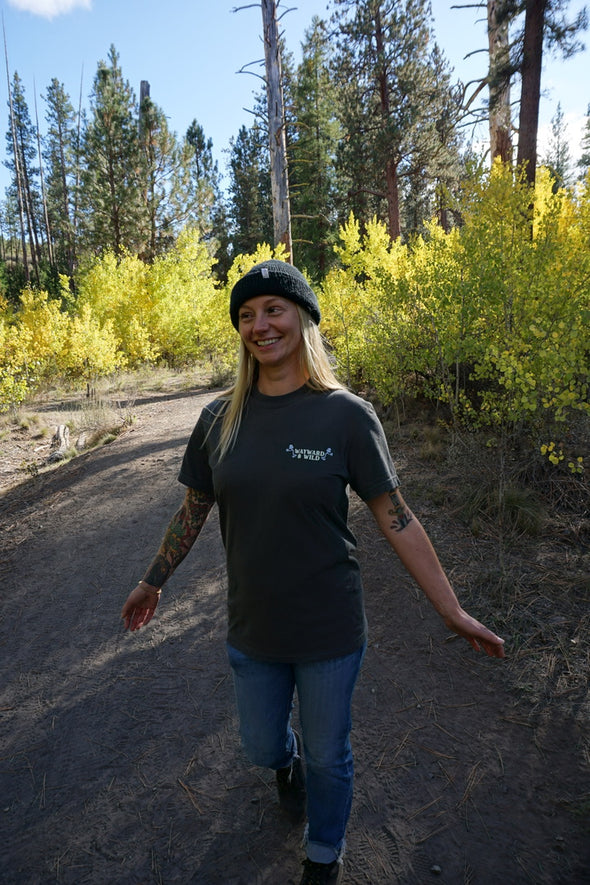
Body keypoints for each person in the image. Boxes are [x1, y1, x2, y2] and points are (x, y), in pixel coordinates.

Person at [121, 259, 505, 885]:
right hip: (255, 628)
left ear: (303, 317)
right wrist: (153, 577)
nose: (259, 325)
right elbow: (195, 506)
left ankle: (324, 853)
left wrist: (451, 610)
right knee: (261, 746)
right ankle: (284, 764)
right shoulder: (219, 419)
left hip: (329, 628)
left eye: (273, 309)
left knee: (332, 756)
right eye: (246, 315)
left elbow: (397, 518)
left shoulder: (347, 416)